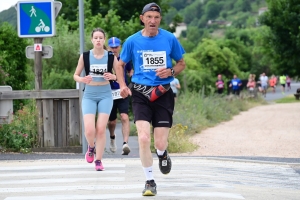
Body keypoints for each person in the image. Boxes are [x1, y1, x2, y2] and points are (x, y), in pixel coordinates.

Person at [114, 3, 186, 196]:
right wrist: (122, 85)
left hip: (163, 93)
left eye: (156, 17)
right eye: (149, 17)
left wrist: (170, 71)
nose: (153, 21)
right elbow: (119, 65)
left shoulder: (169, 39)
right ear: (142, 18)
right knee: (144, 138)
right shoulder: (132, 41)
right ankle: (149, 181)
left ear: (160, 19)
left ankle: (163, 154)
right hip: (140, 93)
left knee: (160, 144)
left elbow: (181, 63)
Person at [73, 28, 118, 171]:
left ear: (104, 40)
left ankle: (98, 160)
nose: (98, 40)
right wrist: (82, 79)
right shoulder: (85, 56)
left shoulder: (111, 56)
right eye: (96, 38)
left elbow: (118, 75)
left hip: (105, 94)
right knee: (89, 129)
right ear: (92, 40)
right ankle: (91, 147)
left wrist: (113, 77)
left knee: (100, 129)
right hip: (90, 95)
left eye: (101, 38)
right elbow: (75, 75)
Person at [107, 37, 133, 155]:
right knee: (112, 121)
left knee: (124, 117)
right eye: (112, 47)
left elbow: (131, 73)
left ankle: (125, 144)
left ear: (120, 47)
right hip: (109, 93)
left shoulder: (125, 59)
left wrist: (131, 86)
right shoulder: (105, 58)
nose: (114, 49)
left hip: (122, 91)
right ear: (108, 47)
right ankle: (112, 137)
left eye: (116, 47)